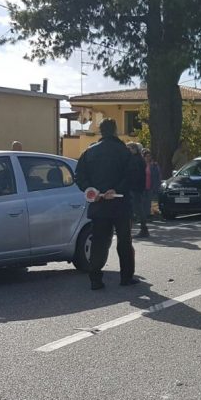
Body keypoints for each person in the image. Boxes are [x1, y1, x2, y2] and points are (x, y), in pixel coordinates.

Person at [74, 119, 137, 290]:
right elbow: (131, 176)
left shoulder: (89, 152)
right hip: (120, 203)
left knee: (99, 242)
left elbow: (79, 176)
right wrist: (115, 189)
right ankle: (126, 277)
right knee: (124, 241)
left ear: (100, 131)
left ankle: (95, 278)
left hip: (98, 204)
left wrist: (91, 190)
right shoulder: (124, 151)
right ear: (115, 130)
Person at [125, 142, 149, 238]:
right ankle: (141, 228)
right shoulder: (138, 159)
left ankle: (143, 229)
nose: (128, 150)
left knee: (136, 208)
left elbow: (135, 175)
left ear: (134, 149)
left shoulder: (136, 160)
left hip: (135, 188)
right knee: (135, 208)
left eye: (129, 148)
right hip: (137, 187)